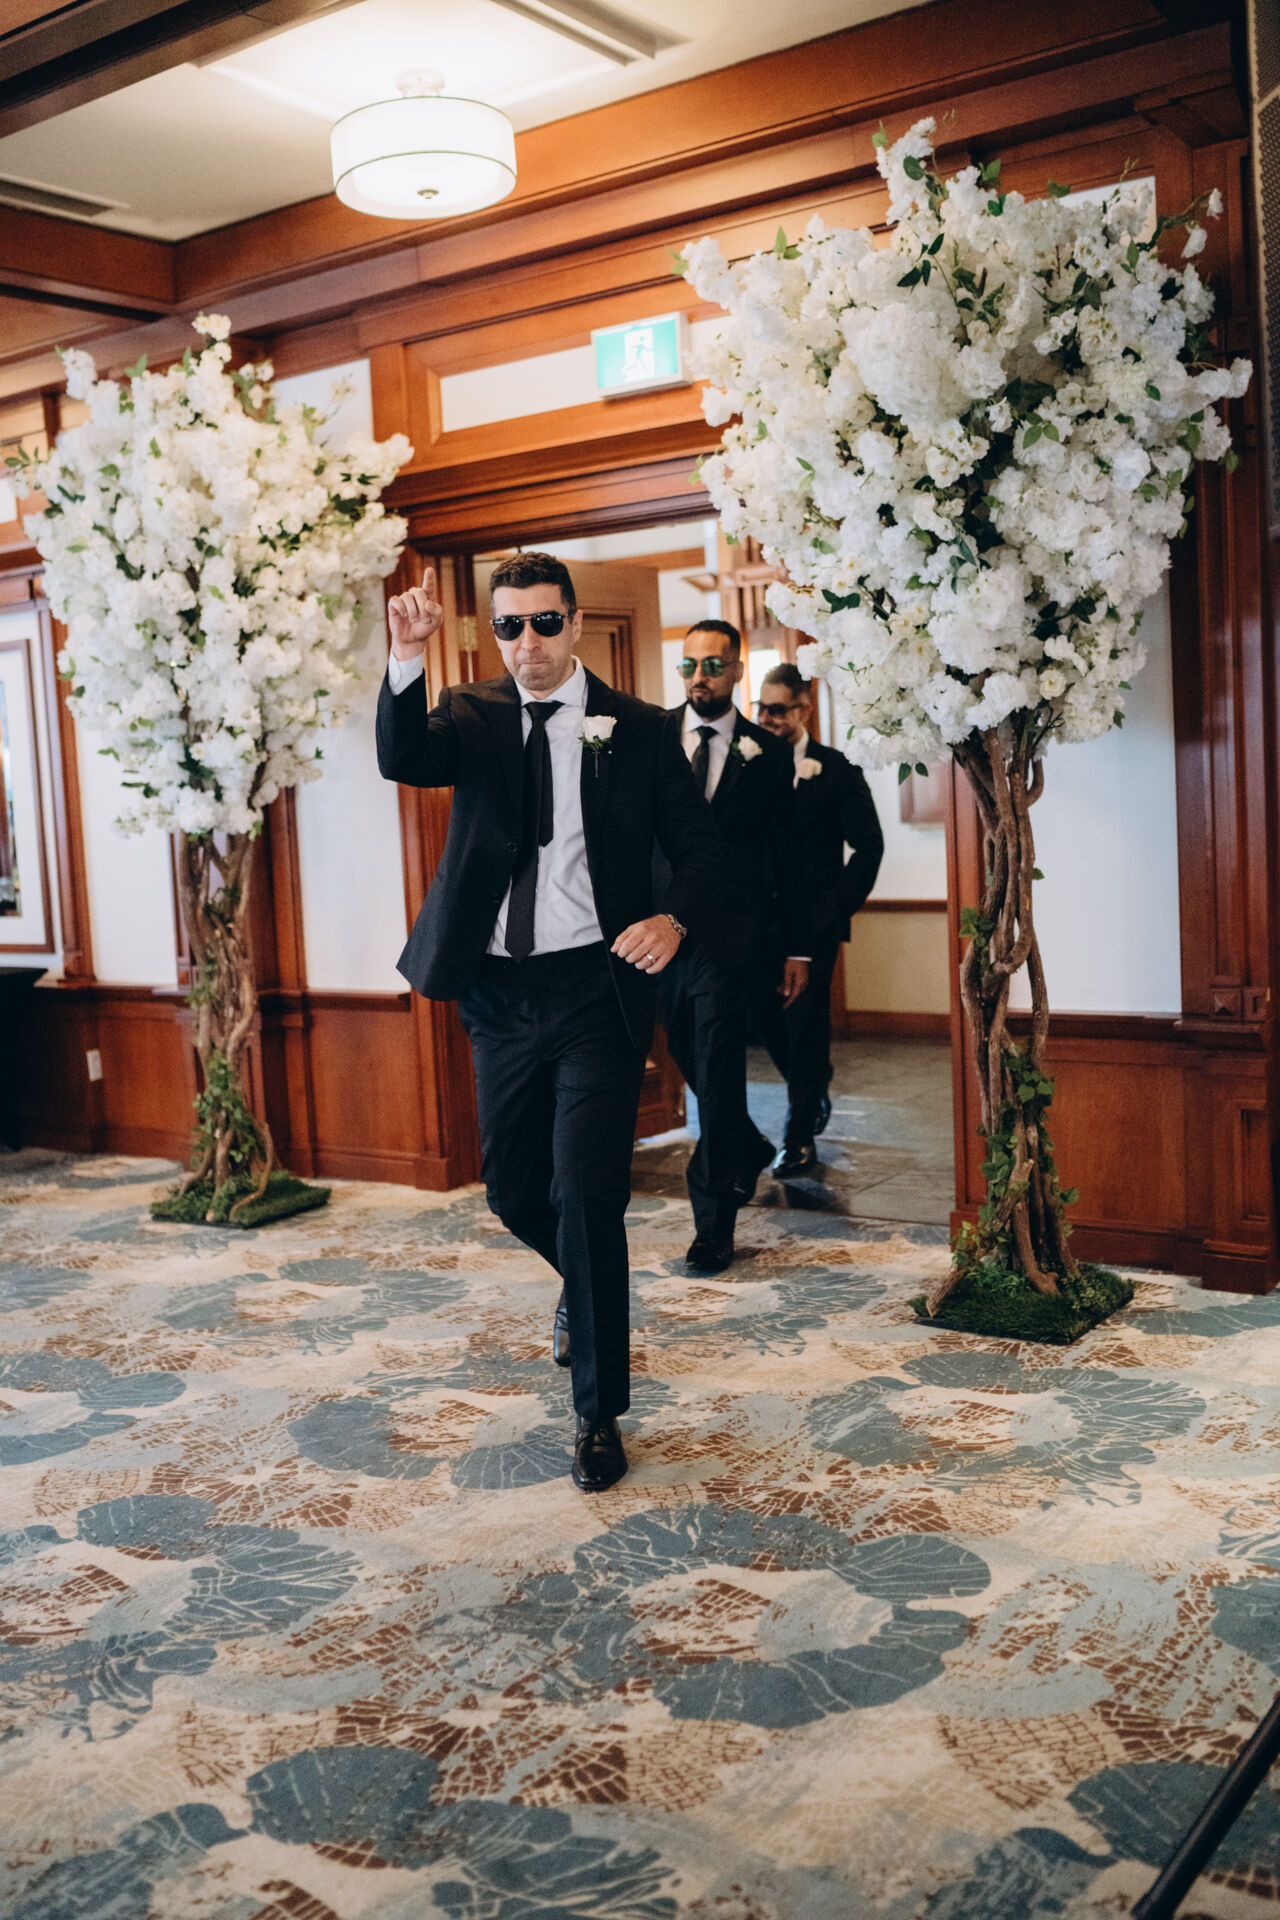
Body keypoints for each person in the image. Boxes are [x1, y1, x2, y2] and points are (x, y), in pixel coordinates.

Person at [376, 553, 727, 1494]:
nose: (525, 643)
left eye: (542, 623)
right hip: (498, 992)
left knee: (587, 1193)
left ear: (573, 624)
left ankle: (598, 1413)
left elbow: (702, 850)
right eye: (508, 626)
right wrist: (406, 659)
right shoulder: (470, 713)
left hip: (594, 992)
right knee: (512, 1189)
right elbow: (403, 759)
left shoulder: (639, 729)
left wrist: (672, 919)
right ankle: (580, 1279)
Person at [657, 620, 810, 1275]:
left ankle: (713, 1224)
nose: (699, 677)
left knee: (717, 1074)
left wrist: (798, 947)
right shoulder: (651, 736)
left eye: (713, 665)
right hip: (658, 935)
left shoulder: (767, 753)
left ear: (737, 671)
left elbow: (788, 854)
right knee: (687, 1054)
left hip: (731, 940)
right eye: (689, 665)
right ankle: (746, 1147)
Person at [751, 662, 883, 1177]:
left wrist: (831, 909)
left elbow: (869, 846)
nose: (766, 718)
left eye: (777, 709)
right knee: (763, 1019)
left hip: (813, 924)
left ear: (803, 710)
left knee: (804, 1024)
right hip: (757, 924)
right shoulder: (746, 762)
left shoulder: (836, 769)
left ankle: (799, 1136)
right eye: (760, 708)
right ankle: (813, 1082)